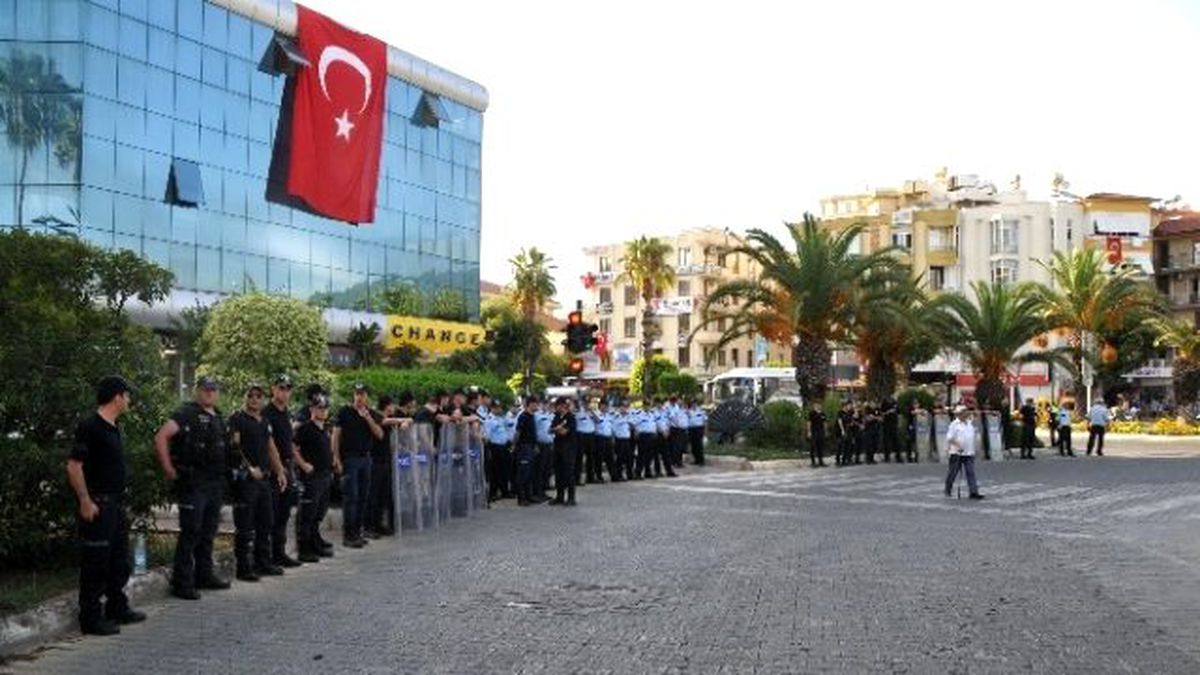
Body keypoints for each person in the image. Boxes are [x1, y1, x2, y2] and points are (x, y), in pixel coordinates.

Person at [67, 376, 146, 636]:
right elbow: (74, 466)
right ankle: (90, 618)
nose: (129, 401)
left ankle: (117, 607)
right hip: (97, 504)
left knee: (119, 561)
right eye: (127, 396)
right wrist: (85, 500)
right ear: (117, 397)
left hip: (115, 504)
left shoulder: (113, 427)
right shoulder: (90, 426)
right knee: (96, 563)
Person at [154, 377, 231, 600]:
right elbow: (161, 437)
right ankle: (182, 583)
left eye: (213, 390)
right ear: (198, 391)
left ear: (218, 393)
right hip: (194, 483)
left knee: (208, 533)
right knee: (190, 534)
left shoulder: (219, 417)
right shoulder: (186, 413)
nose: (209, 393)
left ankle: (204, 576)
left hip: (214, 484)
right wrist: (168, 467)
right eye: (205, 389)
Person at [227, 383, 287, 581]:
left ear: (263, 399)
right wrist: (248, 468)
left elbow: (271, 448)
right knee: (245, 525)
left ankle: (263, 563)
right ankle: (244, 568)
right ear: (245, 397)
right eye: (250, 395)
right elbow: (234, 448)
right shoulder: (237, 418)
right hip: (246, 481)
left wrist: (280, 471)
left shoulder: (264, 421)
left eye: (258, 396)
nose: (254, 399)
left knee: (266, 522)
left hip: (265, 480)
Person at [333, 383, 385, 548]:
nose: (359, 397)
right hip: (350, 459)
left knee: (363, 497)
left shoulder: (371, 414)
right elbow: (335, 436)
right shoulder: (344, 412)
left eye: (362, 394)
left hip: (366, 459)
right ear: (353, 395)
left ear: (367, 396)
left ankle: (358, 532)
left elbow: (379, 434)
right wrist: (336, 458)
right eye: (357, 394)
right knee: (351, 498)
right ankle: (349, 535)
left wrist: (367, 417)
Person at [263, 375, 302, 569]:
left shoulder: (286, 412)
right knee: (271, 514)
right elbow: (268, 445)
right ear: (273, 389)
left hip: (288, 466)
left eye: (287, 388)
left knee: (284, 514)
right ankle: (268, 556)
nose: (284, 392)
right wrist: (279, 470)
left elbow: (289, 442)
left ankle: (279, 553)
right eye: (281, 387)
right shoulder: (266, 413)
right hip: (274, 470)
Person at [294, 393, 334, 563]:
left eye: (325, 408)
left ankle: (314, 542)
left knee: (319, 513)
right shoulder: (305, 428)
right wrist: (303, 465)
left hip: (325, 476)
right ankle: (304, 549)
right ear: (312, 409)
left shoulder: (324, 429)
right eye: (319, 407)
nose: (323, 411)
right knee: (307, 514)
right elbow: (292, 447)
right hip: (312, 477)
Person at [366, 393, 412, 537]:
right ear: (387, 405)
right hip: (376, 460)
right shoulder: (376, 416)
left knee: (383, 495)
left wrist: (404, 422)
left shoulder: (391, 420)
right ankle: (369, 526)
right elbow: (384, 421)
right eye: (392, 405)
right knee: (373, 494)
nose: (394, 408)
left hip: (387, 459)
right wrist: (402, 420)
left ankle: (380, 524)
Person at [944, 405, 983, 499]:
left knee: (970, 472)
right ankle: (948, 489)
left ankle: (973, 492)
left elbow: (972, 437)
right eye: (963, 412)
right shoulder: (954, 424)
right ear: (959, 414)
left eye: (966, 411)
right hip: (957, 453)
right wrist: (958, 445)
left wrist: (976, 448)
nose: (966, 413)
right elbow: (949, 438)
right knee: (953, 472)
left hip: (969, 452)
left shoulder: (970, 423)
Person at [513, 397, 540, 506]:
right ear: (530, 404)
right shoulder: (523, 416)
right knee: (523, 473)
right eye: (535, 404)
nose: (537, 406)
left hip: (531, 447)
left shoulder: (532, 416)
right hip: (523, 448)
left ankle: (529, 496)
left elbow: (532, 434)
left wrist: (535, 445)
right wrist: (514, 445)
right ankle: (521, 498)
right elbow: (518, 432)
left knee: (530, 473)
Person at [483, 399, 513, 500]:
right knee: (494, 471)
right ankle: (493, 493)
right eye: (497, 408)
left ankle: (505, 491)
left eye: (500, 407)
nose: (499, 409)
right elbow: (487, 436)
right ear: (492, 408)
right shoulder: (489, 420)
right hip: (494, 447)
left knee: (504, 470)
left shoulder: (501, 419)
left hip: (504, 447)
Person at [550, 398, 578, 506]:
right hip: (558, 448)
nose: (556, 408)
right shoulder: (557, 417)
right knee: (558, 473)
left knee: (569, 474)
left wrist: (557, 429)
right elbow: (550, 430)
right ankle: (559, 496)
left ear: (563, 406)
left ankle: (571, 498)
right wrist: (557, 428)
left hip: (569, 449)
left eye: (558, 406)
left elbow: (565, 432)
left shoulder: (570, 417)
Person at [574, 397, 598, 485]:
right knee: (579, 458)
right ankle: (577, 478)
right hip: (581, 435)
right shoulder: (578, 412)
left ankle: (590, 477)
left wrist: (591, 412)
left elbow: (598, 421)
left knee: (591, 457)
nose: (587, 405)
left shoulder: (593, 412)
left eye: (588, 403)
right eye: (585, 403)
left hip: (591, 435)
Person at [594, 399, 618, 482]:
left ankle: (614, 476)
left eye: (606, 406)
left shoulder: (609, 415)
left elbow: (612, 427)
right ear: (599, 406)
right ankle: (598, 476)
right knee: (599, 458)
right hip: (599, 438)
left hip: (608, 438)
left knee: (610, 458)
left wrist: (613, 437)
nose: (605, 407)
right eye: (603, 406)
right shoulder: (596, 414)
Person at [612, 399, 635, 480]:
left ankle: (630, 474)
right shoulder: (616, 416)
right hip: (619, 439)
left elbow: (633, 425)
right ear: (620, 407)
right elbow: (613, 429)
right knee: (620, 458)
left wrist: (630, 422)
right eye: (623, 407)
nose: (624, 409)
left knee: (629, 458)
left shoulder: (629, 415)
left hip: (627, 439)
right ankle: (619, 475)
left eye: (626, 407)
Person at [668, 395, 689, 469]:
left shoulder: (684, 410)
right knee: (677, 447)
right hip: (677, 429)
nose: (681, 402)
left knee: (682, 447)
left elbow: (686, 419)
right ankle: (676, 461)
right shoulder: (675, 409)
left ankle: (678, 461)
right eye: (679, 401)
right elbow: (673, 419)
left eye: (682, 401)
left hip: (683, 429)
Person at [687, 399, 707, 467]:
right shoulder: (689, 412)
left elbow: (705, 421)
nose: (694, 404)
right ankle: (696, 460)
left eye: (695, 403)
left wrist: (705, 431)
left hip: (699, 429)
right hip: (691, 429)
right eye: (692, 403)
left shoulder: (701, 411)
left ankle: (701, 460)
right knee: (693, 446)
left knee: (699, 446)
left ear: (697, 404)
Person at [808, 400, 827, 468]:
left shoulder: (823, 413)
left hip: (820, 431)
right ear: (814, 406)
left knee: (820, 446)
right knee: (813, 446)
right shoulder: (812, 413)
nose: (818, 406)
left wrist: (825, 431)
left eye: (819, 405)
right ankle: (813, 462)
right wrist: (809, 431)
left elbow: (824, 423)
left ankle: (820, 461)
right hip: (814, 431)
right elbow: (809, 422)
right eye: (816, 405)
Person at [881, 399, 901, 463]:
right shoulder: (884, 404)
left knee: (896, 441)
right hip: (886, 425)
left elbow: (899, 412)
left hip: (894, 424)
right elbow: (882, 413)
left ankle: (898, 457)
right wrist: (889, 411)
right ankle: (887, 457)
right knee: (886, 442)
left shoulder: (895, 403)